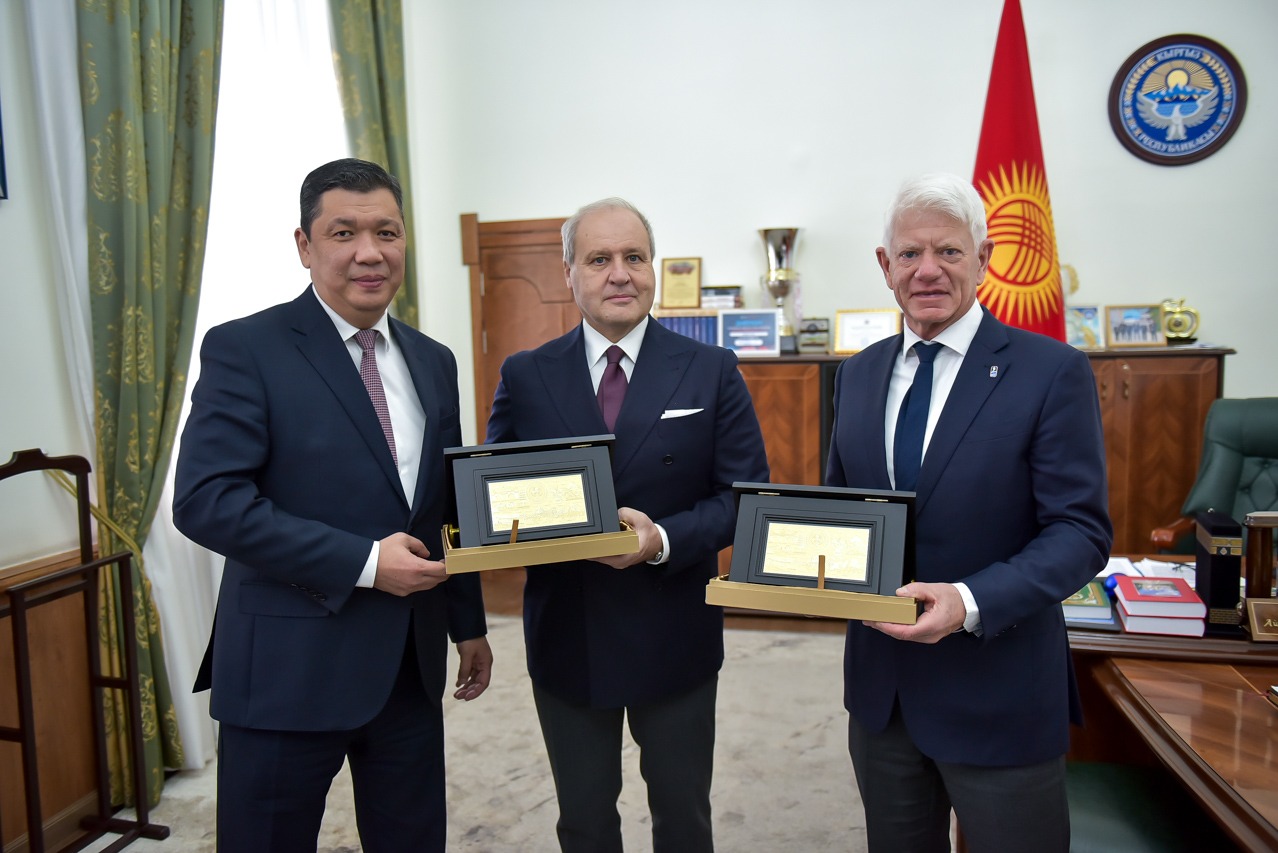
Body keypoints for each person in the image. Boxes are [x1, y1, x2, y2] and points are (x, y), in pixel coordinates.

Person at [173, 158, 492, 853]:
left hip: (407, 668)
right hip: (286, 670)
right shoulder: (244, 348)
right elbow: (206, 501)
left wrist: (467, 622)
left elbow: (445, 503)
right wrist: (365, 562)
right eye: (344, 232)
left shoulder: (434, 360)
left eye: (387, 232)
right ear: (304, 244)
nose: (369, 252)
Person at [825, 173, 1112, 852]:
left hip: (1000, 694)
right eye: (910, 253)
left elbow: (1079, 531)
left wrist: (968, 600)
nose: (927, 270)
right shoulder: (856, 374)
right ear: (885, 264)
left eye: (948, 252)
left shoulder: (1051, 371)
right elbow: (845, 509)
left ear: (983, 259)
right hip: (883, 698)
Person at [485, 197, 769, 852]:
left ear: (652, 267)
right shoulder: (526, 375)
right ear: (569, 273)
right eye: (599, 259)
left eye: (634, 257)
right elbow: (496, 496)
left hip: (674, 631)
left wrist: (660, 540)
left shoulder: (710, 369)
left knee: (683, 816)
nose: (620, 273)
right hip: (568, 632)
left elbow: (743, 499)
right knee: (584, 820)